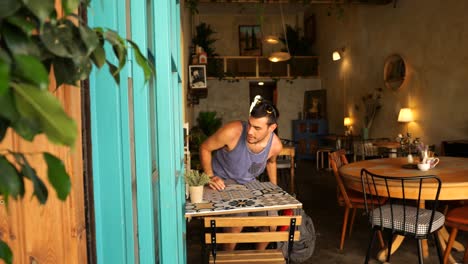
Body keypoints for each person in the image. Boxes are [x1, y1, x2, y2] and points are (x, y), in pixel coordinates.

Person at [199, 96, 283, 251]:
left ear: (271, 128)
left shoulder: (275, 145)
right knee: (237, 221)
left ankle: (258, 258)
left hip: (248, 181)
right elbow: (205, 147)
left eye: (257, 128)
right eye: (250, 124)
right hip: (223, 180)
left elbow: (271, 162)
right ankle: (226, 258)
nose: (250, 131)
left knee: (272, 222)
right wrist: (210, 176)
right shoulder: (233, 131)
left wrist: (273, 189)